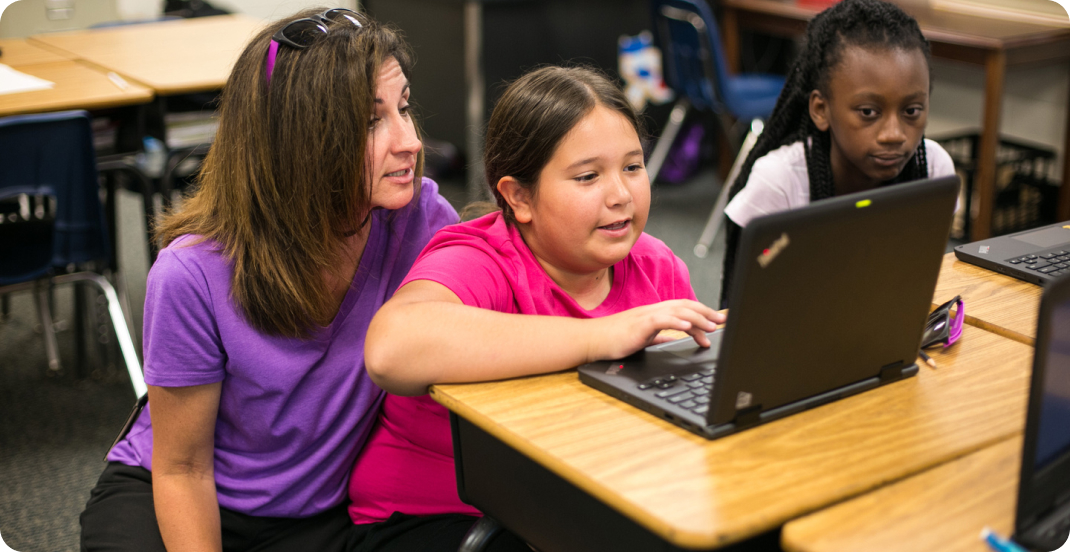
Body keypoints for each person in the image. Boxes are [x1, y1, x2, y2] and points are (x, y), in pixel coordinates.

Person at [79, 9, 459, 552]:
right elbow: (182, 469)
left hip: (325, 508)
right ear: (301, 139)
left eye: (403, 108)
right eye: (373, 122)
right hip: (186, 494)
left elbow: (499, 303)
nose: (411, 141)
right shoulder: (194, 271)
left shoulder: (418, 216)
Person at [349, 66, 725, 550]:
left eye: (633, 167)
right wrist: (601, 336)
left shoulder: (656, 265)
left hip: (577, 496)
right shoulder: (479, 259)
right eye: (588, 177)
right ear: (518, 197)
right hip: (439, 517)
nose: (621, 195)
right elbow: (391, 350)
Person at [720, 0, 956, 304]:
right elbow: (742, 308)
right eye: (869, 112)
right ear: (821, 109)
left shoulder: (933, 169)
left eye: (912, 110)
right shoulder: (779, 181)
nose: (894, 135)